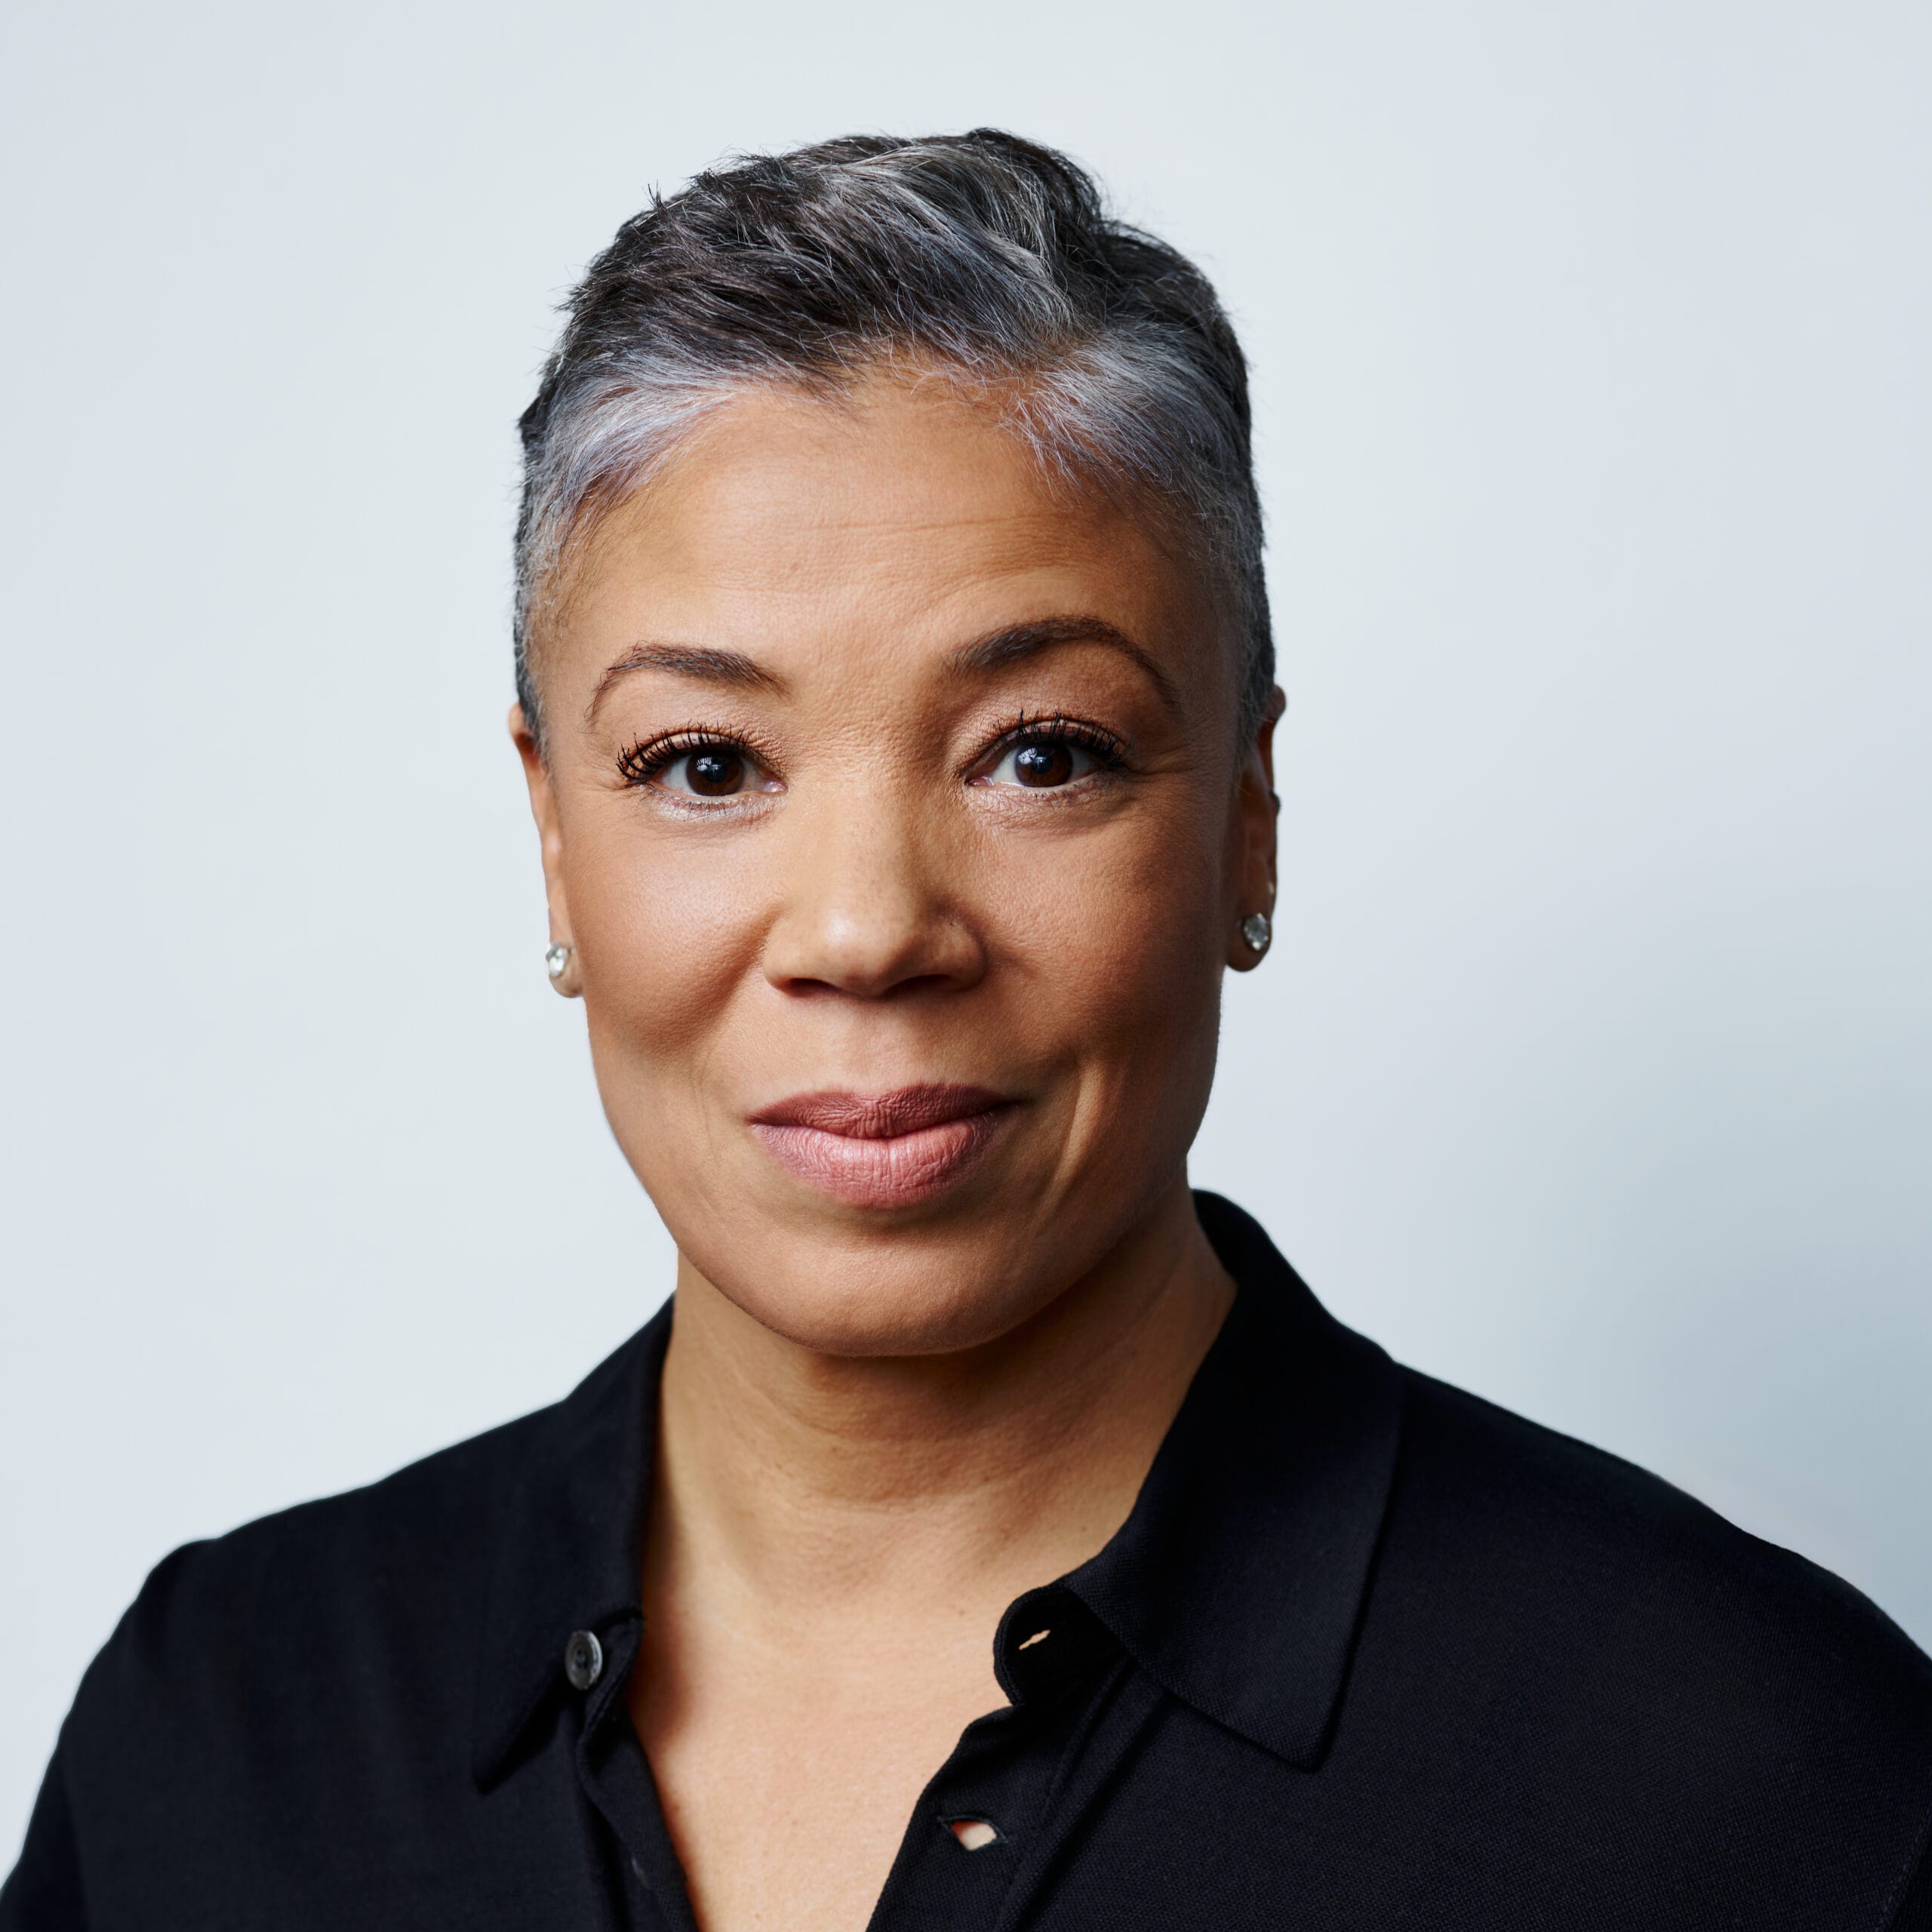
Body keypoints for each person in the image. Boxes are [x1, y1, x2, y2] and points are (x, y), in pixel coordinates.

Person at [4, 129, 1928, 1932]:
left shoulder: (1757, 1783)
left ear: (1246, 816)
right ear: (550, 836)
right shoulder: (223, 1724)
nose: (864, 930)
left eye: (1040, 753)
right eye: (700, 762)